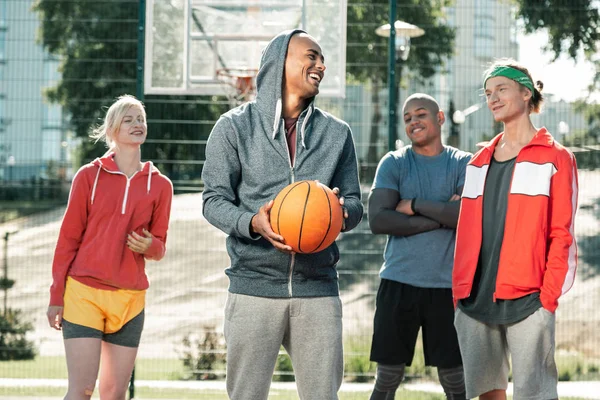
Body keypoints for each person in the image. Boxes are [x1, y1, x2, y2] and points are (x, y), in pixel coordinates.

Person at [201, 30, 363, 400]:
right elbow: (213, 200)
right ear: (280, 62)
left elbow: (354, 203)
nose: (321, 65)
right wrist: (252, 222)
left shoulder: (337, 133)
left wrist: (340, 211)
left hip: (318, 288)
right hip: (254, 286)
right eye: (311, 56)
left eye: (322, 59)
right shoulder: (233, 128)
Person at [453, 59, 579, 400]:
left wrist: (547, 299)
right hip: (475, 300)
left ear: (526, 93)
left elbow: (561, 234)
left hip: (530, 301)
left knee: (534, 395)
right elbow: (465, 233)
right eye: (488, 93)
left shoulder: (556, 158)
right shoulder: (477, 162)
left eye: (501, 90)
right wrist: (459, 294)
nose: (492, 98)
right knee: (487, 396)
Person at [47, 95, 173, 400]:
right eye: (128, 120)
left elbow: (159, 248)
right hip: (84, 294)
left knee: (114, 394)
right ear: (112, 130)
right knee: (82, 390)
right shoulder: (88, 176)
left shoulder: (160, 185)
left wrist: (149, 245)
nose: (137, 124)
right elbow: (67, 241)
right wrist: (56, 296)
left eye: (141, 119)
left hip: (130, 300)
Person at [367, 93, 471, 400]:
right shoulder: (394, 163)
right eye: (408, 117)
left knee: (454, 380)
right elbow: (379, 221)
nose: (414, 121)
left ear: (440, 118)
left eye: (421, 114)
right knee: (387, 377)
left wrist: (413, 204)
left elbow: (467, 216)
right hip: (398, 282)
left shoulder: (463, 163)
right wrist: (442, 216)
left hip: (446, 287)